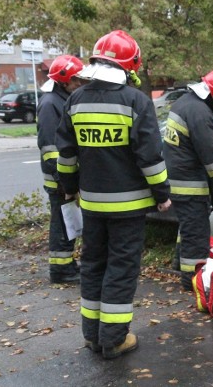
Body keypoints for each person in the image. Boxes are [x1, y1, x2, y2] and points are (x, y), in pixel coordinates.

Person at [55, 30, 171, 359]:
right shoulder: (136, 101)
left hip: (91, 205)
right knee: (121, 269)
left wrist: (71, 188)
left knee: (92, 266)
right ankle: (115, 339)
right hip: (129, 207)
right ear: (130, 65)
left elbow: (66, 156)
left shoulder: (75, 100)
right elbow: (150, 157)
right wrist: (162, 193)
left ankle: (93, 336)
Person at [162, 69, 213, 291]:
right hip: (189, 185)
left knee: (187, 229)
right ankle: (192, 281)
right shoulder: (200, 113)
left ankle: (179, 263)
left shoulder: (185, 103)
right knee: (196, 235)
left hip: (177, 180)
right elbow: (211, 157)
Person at [37, 55, 85, 284]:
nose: (79, 84)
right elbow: (49, 148)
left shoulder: (62, 99)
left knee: (68, 222)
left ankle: (66, 265)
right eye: (76, 80)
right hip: (58, 178)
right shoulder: (49, 104)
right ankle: (60, 270)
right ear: (63, 80)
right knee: (61, 222)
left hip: (65, 176)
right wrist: (63, 180)